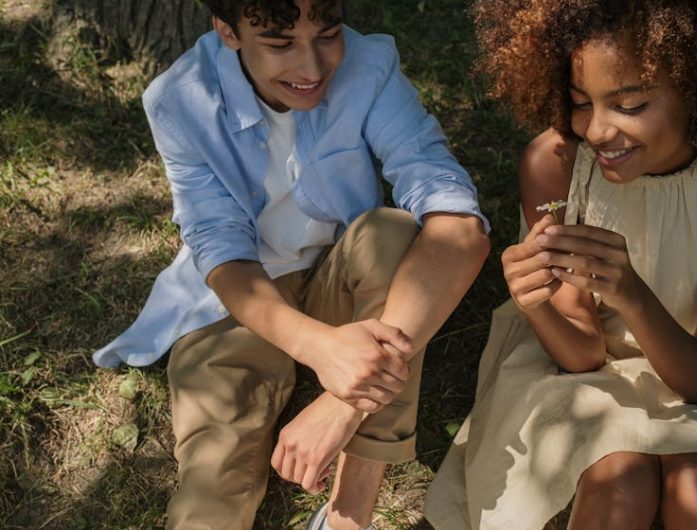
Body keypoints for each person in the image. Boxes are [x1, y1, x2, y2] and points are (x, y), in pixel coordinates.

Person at [91, 1, 491, 529]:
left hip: (340, 273)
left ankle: (350, 511)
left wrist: (343, 402)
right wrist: (320, 349)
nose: (312, 68)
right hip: (233, 303)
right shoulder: (178, 99)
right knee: (215, 473)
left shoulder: (369, 66)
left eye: (327, 34)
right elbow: (220, 248)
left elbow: (459, 226)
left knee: (391, 234)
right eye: (280, 45)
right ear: (228, 31)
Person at [424, 0, 697, 529]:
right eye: (580, 101)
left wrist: (630, 291)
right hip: (582, 373)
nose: (596, 131)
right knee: (621, 487)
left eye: (629, 104)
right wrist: (536, 307)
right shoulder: (556, 166)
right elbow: (583, 354)